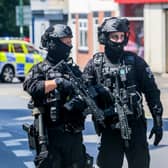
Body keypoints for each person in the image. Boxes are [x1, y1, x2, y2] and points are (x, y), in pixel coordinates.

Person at [83, 17, 163, 168]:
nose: (119, 41)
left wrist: (157, 122)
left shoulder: (136, 62)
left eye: (122, 36)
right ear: (105, 38)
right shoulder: (95, 64)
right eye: (114, 37)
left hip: (135, 127)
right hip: (109, 129)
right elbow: (82, 94)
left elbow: (152, 92)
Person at [23, 24, 93, 168]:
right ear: (53, 43)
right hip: (51, 138)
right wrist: (56, 82)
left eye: (70, 42)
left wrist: (82, 102)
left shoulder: (73, 70)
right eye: (65, 42)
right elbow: (30, 86)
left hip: (74, 137)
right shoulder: (41, 69)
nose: (69, 46)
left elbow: (87, 91)